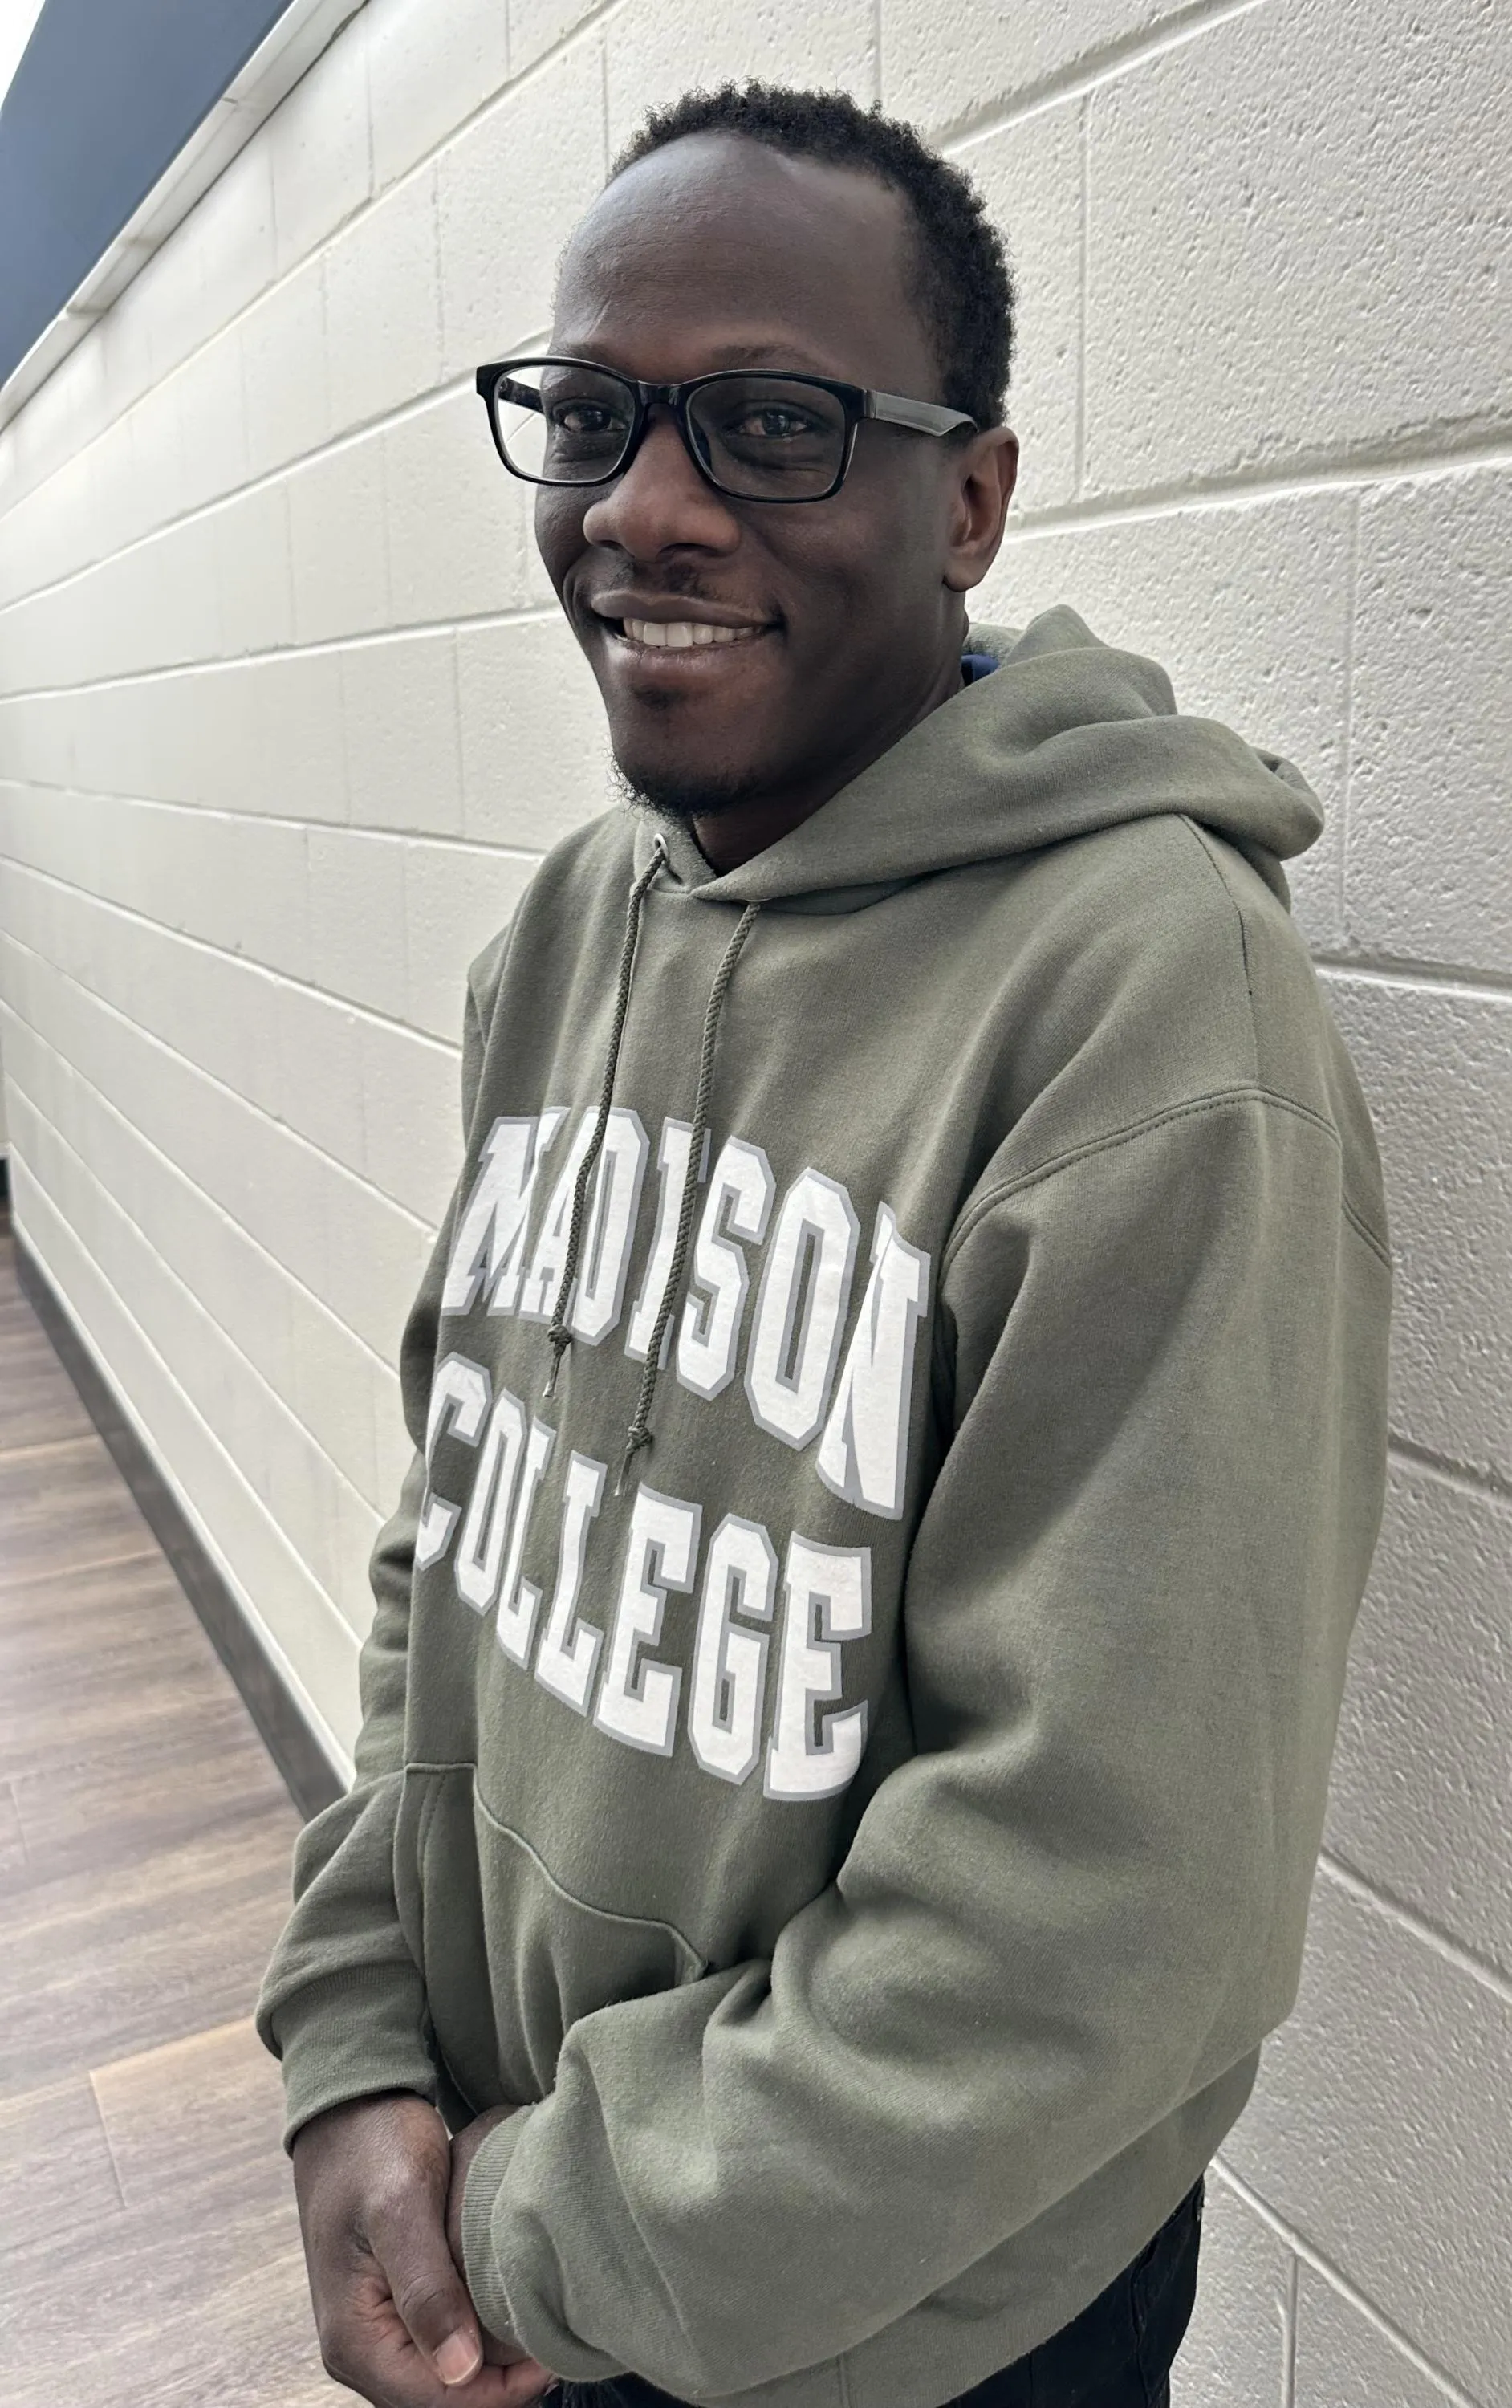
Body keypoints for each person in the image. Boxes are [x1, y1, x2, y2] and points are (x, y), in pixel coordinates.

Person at [255, 83, 1392, 2408]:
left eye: (768, 423)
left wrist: (529, 2232)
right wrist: (358, 2031)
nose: (645, 506)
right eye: (589, 414)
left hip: (916, 2328)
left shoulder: (1147, 1011)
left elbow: (1098, 1915)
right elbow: (445, 1550)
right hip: (535, 2216)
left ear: (965, 495)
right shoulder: (567, 930)